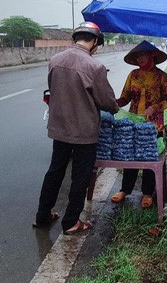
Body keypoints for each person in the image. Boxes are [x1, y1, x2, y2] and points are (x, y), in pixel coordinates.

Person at [33, 21, 119, 235]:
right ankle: (71, 222)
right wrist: (115, 106)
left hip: (60, 128)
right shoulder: (95, 67)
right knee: (80, 176)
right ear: (95, 42)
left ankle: (42, 216)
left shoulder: (55, 60)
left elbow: (54, 90)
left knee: (55, 170)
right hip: (84, 132)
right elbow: (108, 102)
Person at [111, 40, 167, 208]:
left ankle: (147, 192)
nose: (139, 59)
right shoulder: (133, 75)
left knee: (148, 157)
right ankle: (125, 190)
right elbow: (125, 97)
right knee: (131, 155)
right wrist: (113, 103)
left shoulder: (162, 77)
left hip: (154, 126)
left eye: (142, 55)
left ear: (152, 55)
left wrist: (154, 108)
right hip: (134, 124)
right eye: (137, 56)